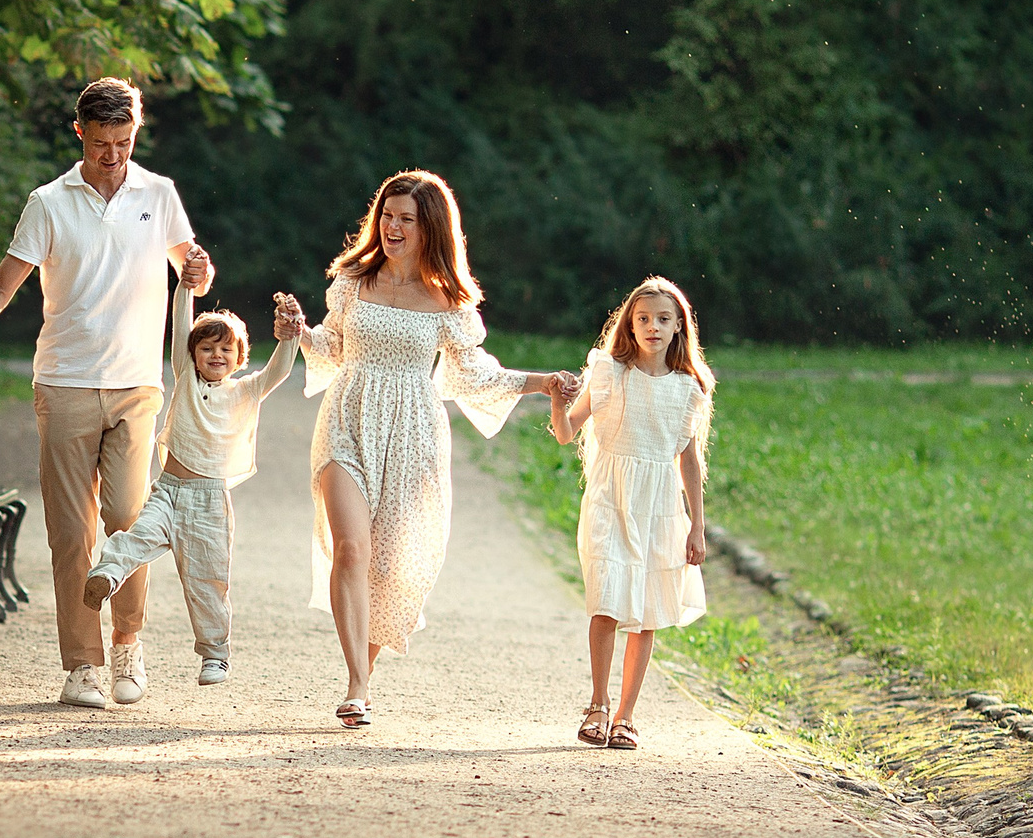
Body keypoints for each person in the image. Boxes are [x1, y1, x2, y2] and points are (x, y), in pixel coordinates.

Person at [0, 79, 212, 709]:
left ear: (135, 133)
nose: (112, 155)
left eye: (123, 142)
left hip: (136, 382)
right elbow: (3, 286)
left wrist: (200, 271)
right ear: (79, 134)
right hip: (63, 381)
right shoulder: (48, 203)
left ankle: (127, 644)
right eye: (100, 144)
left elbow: (190, 266)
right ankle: (82, 664)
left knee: (128, 519)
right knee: (71, 532)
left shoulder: (160, 195)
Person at [277, 172, 578, 728]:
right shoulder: (351, 281)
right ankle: (356, 685)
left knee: (389, 567)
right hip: (347, 416)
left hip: (414, 432)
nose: (392, 227)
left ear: (429, 228)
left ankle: (363, 677)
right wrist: (296, 333)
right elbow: (335, 345)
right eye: (386, 216)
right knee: (351, 547)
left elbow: (474, 374)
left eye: (405, 219)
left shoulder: (448, 300)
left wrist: (540, 382)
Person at [80, 284, 299, 689]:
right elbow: (181, 326)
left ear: (239, 357)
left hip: (210, 502)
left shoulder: (246, 391)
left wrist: (289, 334)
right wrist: (185, 287)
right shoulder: (186, 381)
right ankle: (108, 576)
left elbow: (280, 370)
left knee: (208, 581)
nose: (215, 356)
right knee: (135, 538)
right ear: (192, 354)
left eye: (225, 350)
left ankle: (215, 654)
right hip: (168, 490)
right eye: (206, 349)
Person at [548, 275, 714, 751]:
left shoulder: (688, 388)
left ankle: (626, 716)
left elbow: (688, 459)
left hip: (659, 507)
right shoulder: (608, 372)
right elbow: (566, 433)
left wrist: (696, 527)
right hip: (609, 498)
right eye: (643, 319)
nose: (653, 327)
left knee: (645, 614)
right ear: (630, 325)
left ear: (680, 325)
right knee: (606, 602)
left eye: (663, 319)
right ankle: (598, 705)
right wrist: (559, 403)